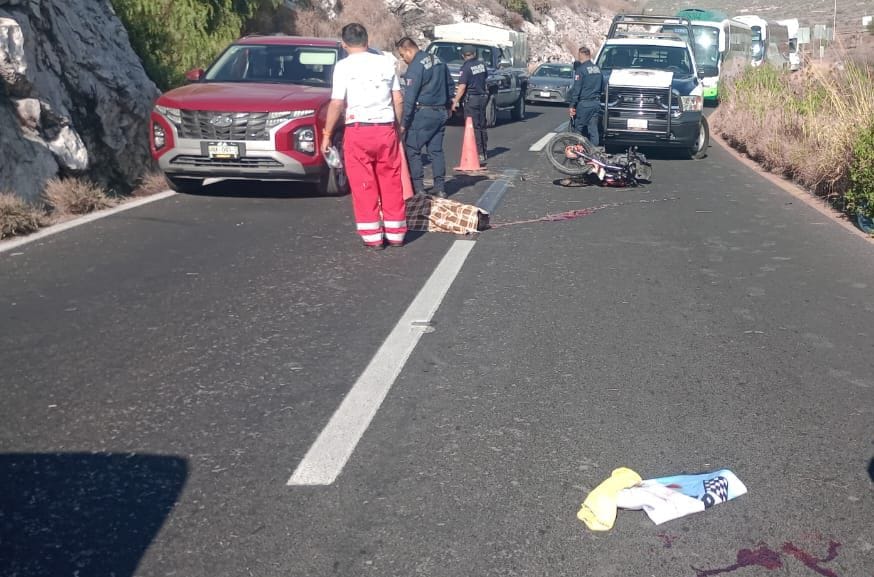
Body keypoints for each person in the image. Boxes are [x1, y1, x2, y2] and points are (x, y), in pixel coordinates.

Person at [322, 23, 406, 250]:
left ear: (344, 44)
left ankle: (373, 237)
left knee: (363, 182)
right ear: (367, 42)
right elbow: (398, 99)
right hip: (385, 127)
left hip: (358, 129)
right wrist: (397, 127)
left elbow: (337, 103)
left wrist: (327, 134)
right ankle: (396, 233)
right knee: (390, 179)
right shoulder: (386, 63)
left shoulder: (343, 66)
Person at [396, 37, 454, 198]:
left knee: (412, 149)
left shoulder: (415, 67)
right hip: (440, 112)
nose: (403, 59)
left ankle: (419, 188)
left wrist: (404, 123)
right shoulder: (439, 60)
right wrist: (448, 106)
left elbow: (410, 98)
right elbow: (450, 85)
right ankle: (440, 187)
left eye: (402, 55)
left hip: (423, 113)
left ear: (409, 50)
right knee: (436, 150)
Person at [451, 45, 489, 165]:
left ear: (463, 55)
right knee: (481, 125)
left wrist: (455, 101)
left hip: (471, 99)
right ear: (475, 54)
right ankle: (483, 151)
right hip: (482, 98)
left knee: (472, 127)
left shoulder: (466, 67)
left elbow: (462, 87)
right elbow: (485, 78)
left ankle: (477, 152)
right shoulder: (481, 65)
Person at [567, 46, 603, 148]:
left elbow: (576, 89)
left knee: (578, 128)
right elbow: (602, 86)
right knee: (593, 129)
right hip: (596, 103)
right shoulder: (597, 69)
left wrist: (572, 105)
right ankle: (594, 153)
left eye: (578, 55)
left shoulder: (581, 69)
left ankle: (577, 152)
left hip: (584, 104)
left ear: (581, 54)